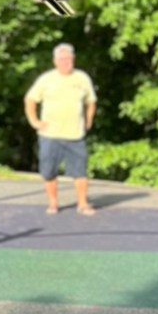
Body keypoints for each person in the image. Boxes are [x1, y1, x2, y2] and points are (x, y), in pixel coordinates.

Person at [23, 42, 97, 215]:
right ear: (55, 61)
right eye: (62, 59)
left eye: (68, 58)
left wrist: (88, 121)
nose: (66, 62)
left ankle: (83, 204)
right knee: (49, 171)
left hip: (75, 135)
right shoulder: (46, 79)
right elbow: (30, 100)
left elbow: (91, 101)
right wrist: (34, 121)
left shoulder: (82, 78)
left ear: (73, 59)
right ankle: (53, 203)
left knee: (80, 172)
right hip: (50, 135)